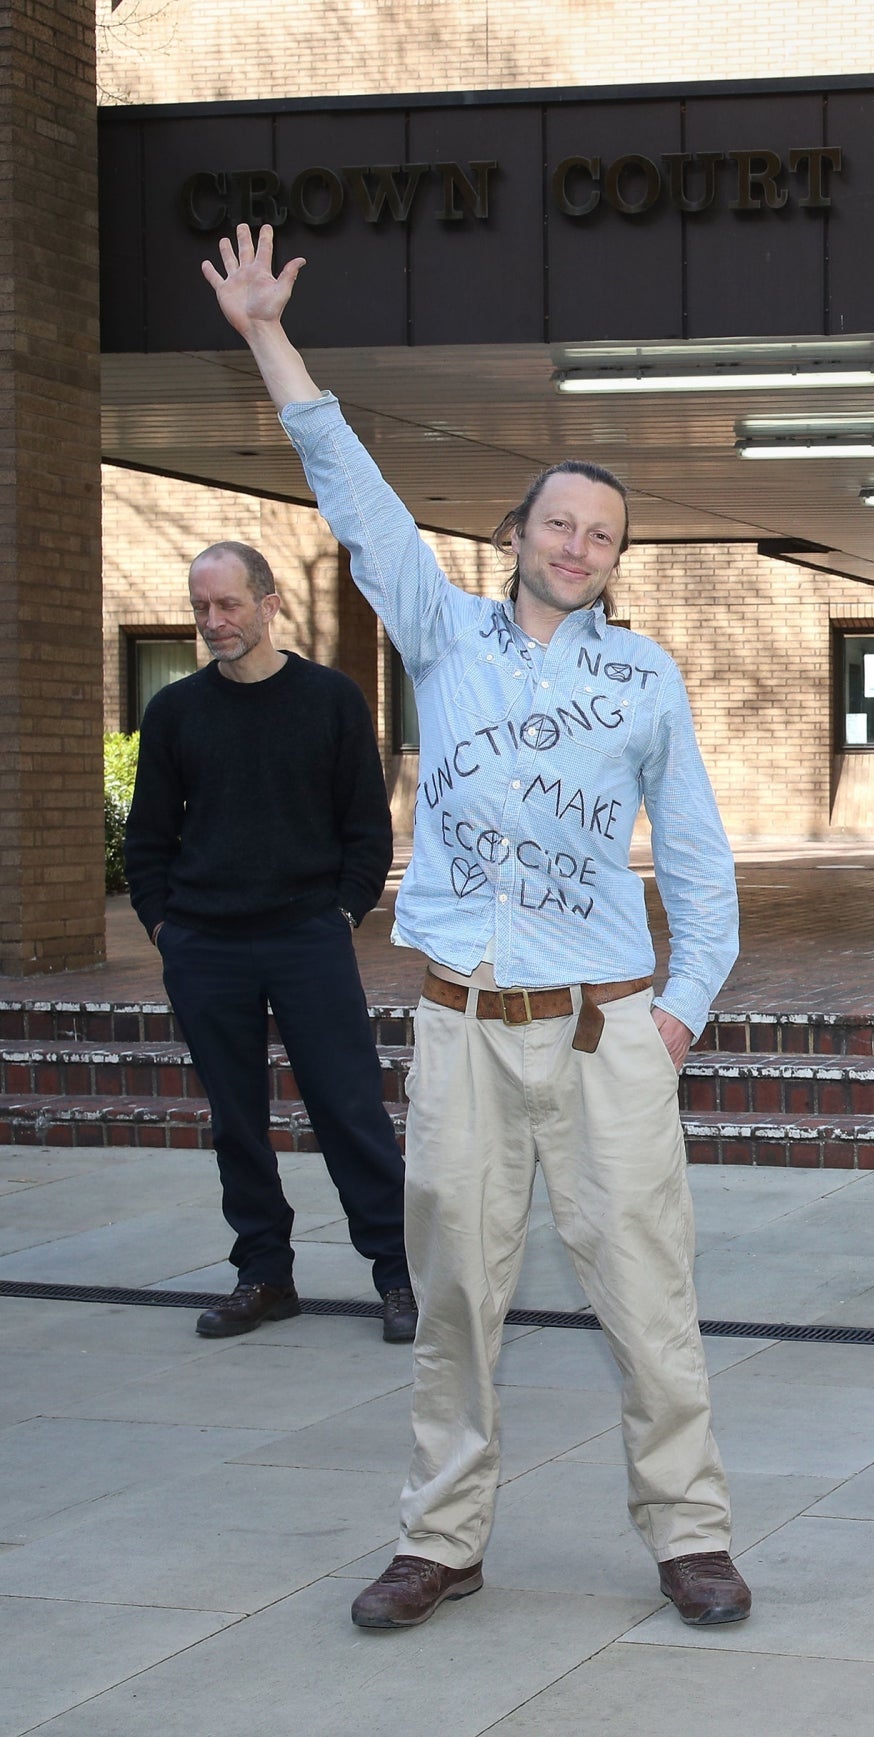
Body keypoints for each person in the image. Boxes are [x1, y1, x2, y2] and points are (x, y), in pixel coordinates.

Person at [202, 225, 748, 1632]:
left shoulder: (644, 678)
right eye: (561, 523)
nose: (580, 546)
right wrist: (269, 336)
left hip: (606, 1032)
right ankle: (441, 1540)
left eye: (605, 535)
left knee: (652, 1299)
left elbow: (696, 860)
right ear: (518, 534)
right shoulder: (441, 635)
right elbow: (349, 485)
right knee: (452, 1301)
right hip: (461, 1027)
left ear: (621, 558)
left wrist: (679, 1009)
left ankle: (689, 1533)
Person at [125, 539, 413, 1345]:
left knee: (349, 1108)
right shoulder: (175, 711)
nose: (213, 622)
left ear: (269, 603)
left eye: (227, 605)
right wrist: (166, 929)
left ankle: (398, 1274)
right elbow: (147, 843)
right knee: (237, 1120)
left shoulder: (330, 700)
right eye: (200, 608)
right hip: (205, 946)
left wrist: (341, 914)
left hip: (305, 938)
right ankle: (264, 1274)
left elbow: (366, 830)